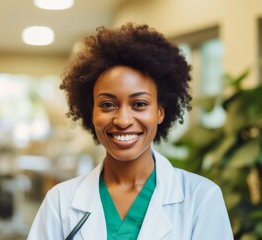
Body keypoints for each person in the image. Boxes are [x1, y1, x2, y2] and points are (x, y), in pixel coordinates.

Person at [27, 23, 233, 240]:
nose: (123, 120)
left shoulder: (200, 198)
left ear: (160, 112)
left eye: (139, 104)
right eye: (107, 105)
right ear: (91, 112)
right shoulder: (60, 202)